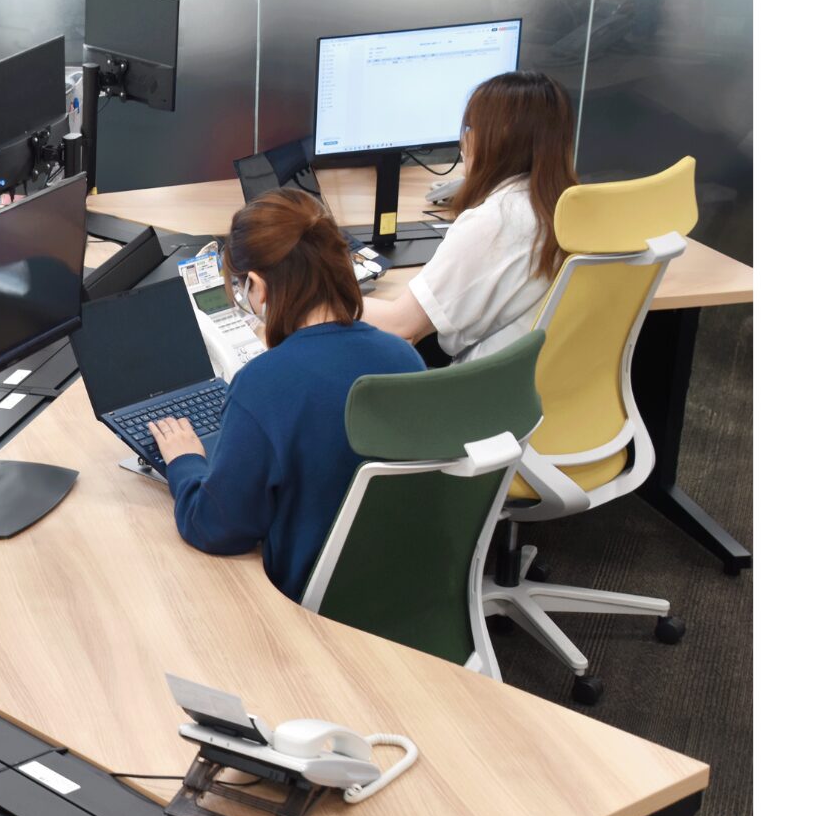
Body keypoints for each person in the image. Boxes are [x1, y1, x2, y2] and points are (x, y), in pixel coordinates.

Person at [148, 188, 424, 601]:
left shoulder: (263, 384)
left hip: (311, 598)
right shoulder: (405, 358)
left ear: (258, 286)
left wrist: (184, 462)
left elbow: (216, 527)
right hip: (404, 584)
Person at [363, 70, 577, 361]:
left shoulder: (497, 220)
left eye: (471, 128)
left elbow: (401, 325)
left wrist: (323, 299)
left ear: (498, 137)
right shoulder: (569, 206)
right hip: (553, 380)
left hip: (487, 384)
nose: (464, 141)